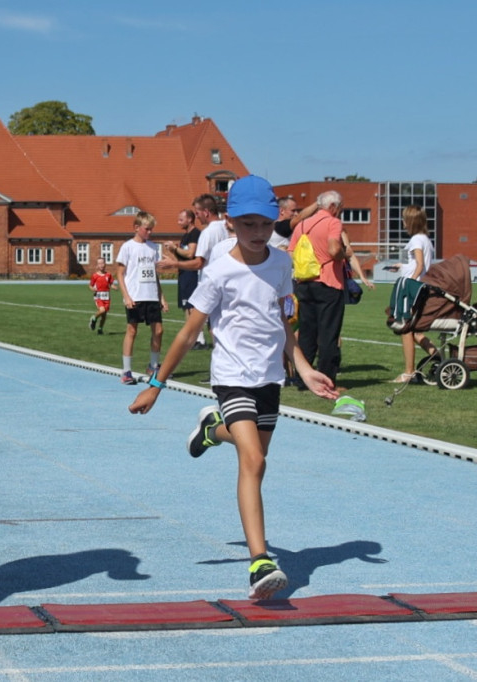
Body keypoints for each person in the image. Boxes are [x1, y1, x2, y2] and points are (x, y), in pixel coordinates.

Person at [129, 175, 338, 599]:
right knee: (255, 462)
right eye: (248, 225)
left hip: (269, 379)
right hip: (231, 378)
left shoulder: (282, 264)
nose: (258, 233)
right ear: (230, 222)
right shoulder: (220, 270)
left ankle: (212, 430)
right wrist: (156, 384)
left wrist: (304, 368)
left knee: (253, 456)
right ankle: (260, 562)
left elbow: (284, 324)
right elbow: (189, 334)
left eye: (265, 224)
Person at [288, 191, 346, 387]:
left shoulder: (302, 224)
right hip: (329, 282)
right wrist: (342, 256)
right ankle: (327, 378)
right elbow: (334, 249)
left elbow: (291, 252)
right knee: (328, 333)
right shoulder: (333, 223)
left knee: (307, 333)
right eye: (340, 208)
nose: (340, 212)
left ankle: (302, 377)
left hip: (305, 283)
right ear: (332, 207)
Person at [116, 212, 168, 384]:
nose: (150, 232)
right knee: (132, 330)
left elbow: (154, 275)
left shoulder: (153, 248)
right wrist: (126, 296)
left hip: (151, 295)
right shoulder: (127, 247)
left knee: (158, 331)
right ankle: (126, 371)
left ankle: (153, 366)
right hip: (135, 295)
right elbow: (120, 273)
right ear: (137, 228)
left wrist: (161, 297)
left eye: (152, 229)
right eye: (147, 229)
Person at [391, 205, 437, 382]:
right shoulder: (425, 239)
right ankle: (437, 356)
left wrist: (411, 283)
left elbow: (419, 265)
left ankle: (409, 372)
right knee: (416, 331)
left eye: (404, 219)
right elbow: (418, 265)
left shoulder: (416, 240)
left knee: (406, 329)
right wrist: (402, 267)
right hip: (421, 286)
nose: (402, 223)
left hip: (414, 289)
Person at [159, 209, 206, 348]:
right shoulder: (186, 235)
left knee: (192, 307)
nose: (178, 222)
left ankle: (200, 340)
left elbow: (190, 254)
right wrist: (173, 256)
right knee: (186, 307)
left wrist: (175, 248)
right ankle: (193, 339)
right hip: (184, 274)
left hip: (191, 274)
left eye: (181, 219)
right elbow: (183, 255)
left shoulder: (195, 234)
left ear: (190, 219)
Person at [88, 257, 118, 334]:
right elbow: (90, 285)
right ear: (97, 265)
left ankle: (100, 329)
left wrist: (114, 287)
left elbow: (111, 284)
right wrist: (93, 289)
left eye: (102, 263)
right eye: (99, 263)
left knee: (104, 316)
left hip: (107, 297)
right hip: (98, 296)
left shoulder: (108, 275)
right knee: (102, 310)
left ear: (105, 264)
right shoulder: (95, 276)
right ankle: (93, 318)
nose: (101, 265)